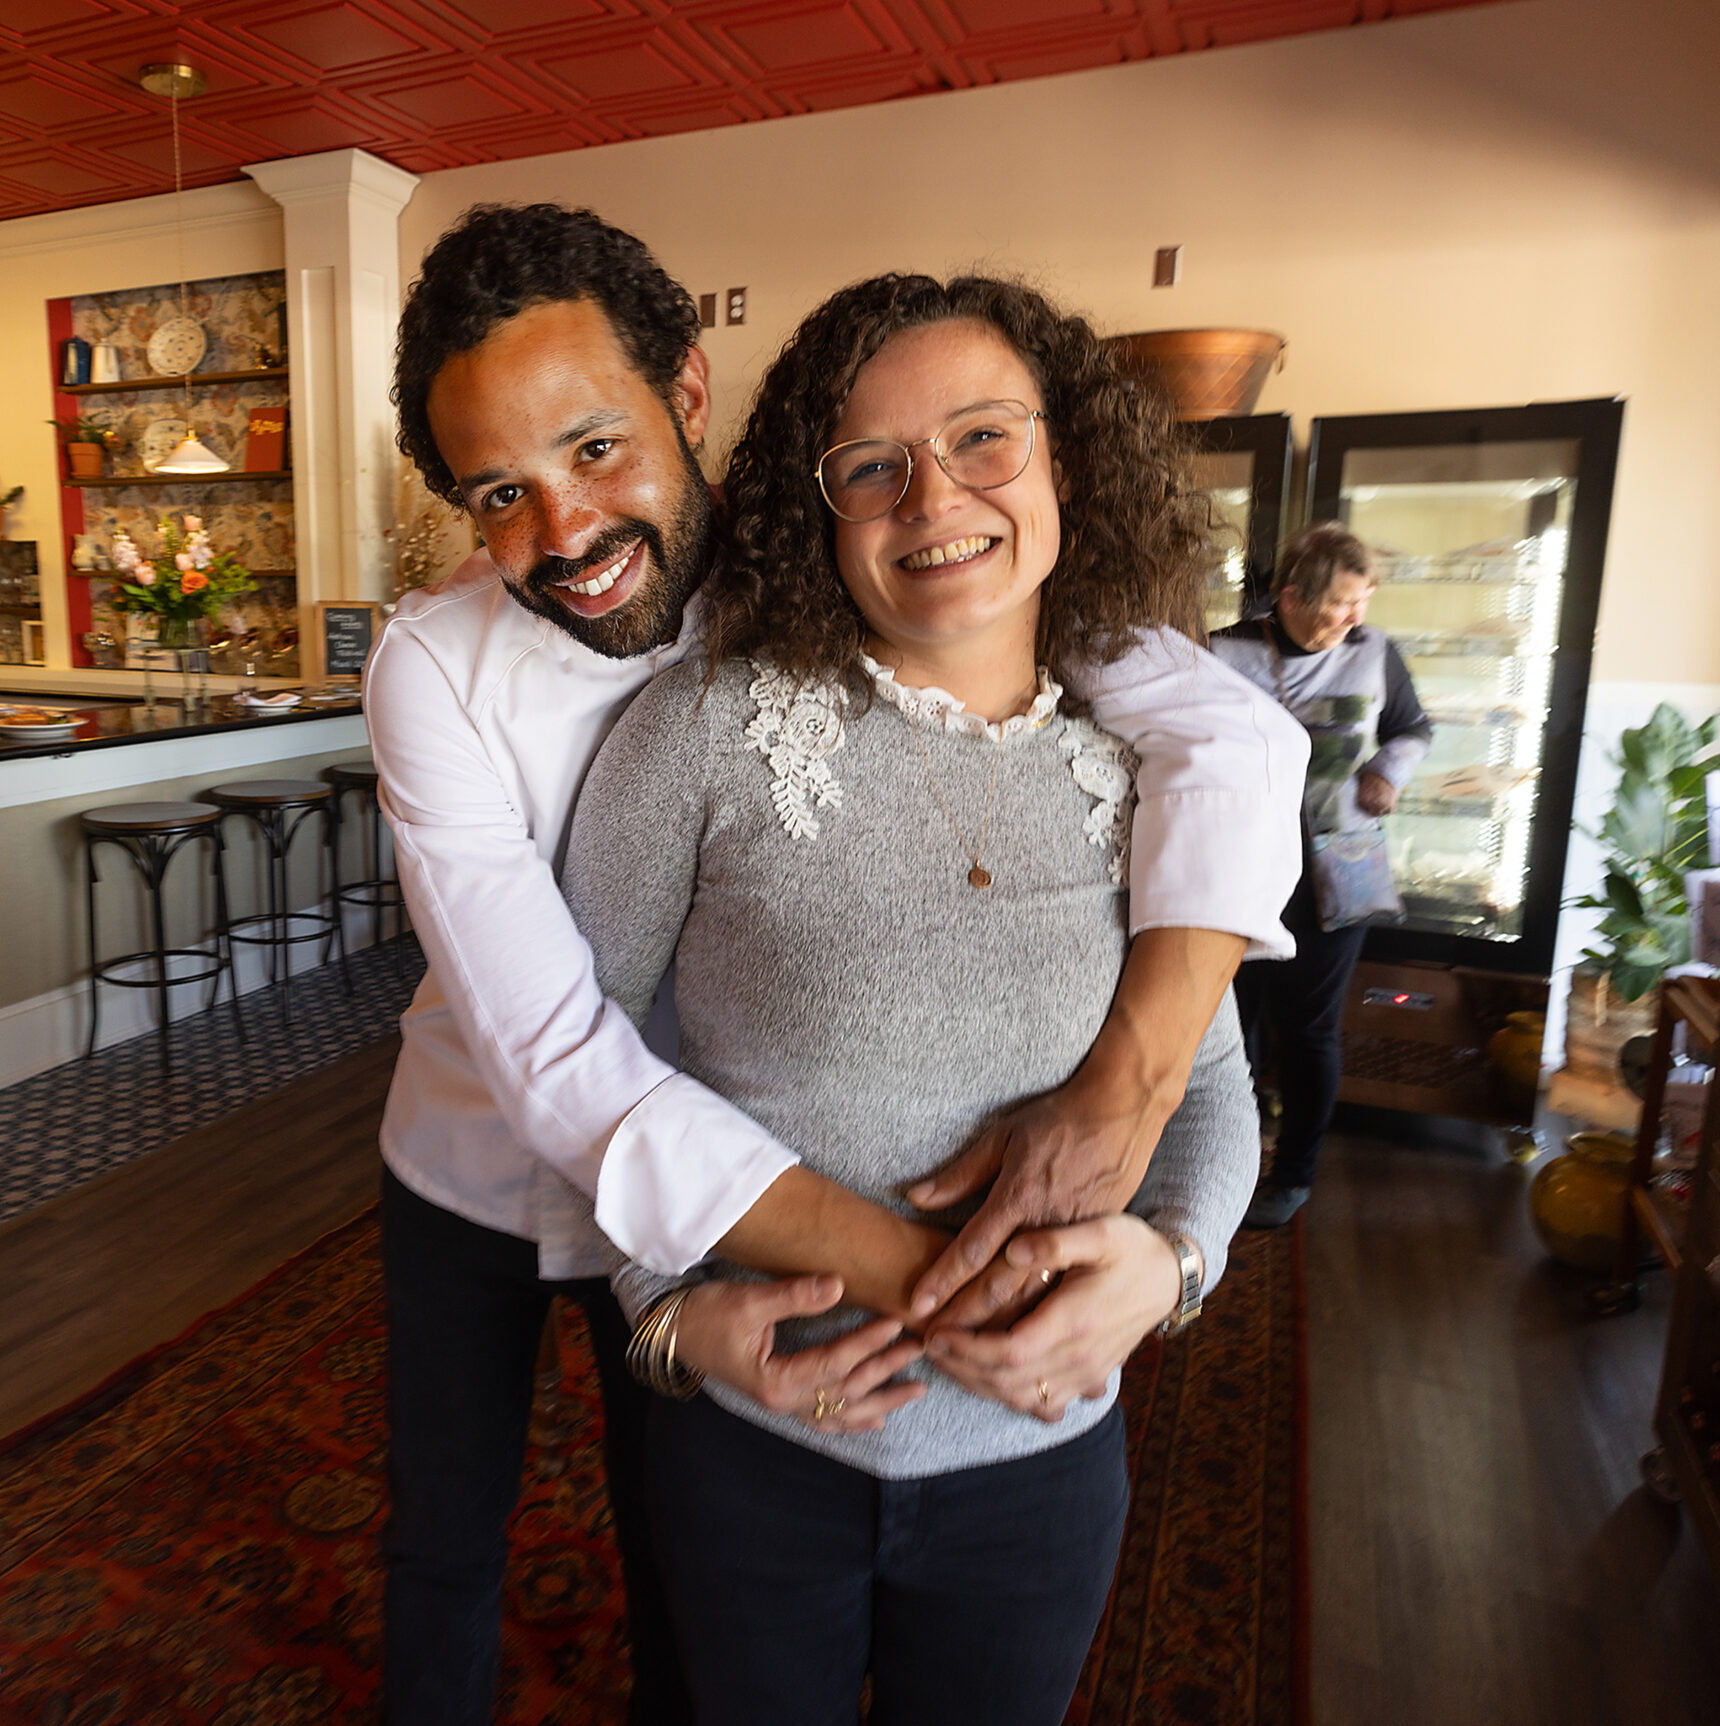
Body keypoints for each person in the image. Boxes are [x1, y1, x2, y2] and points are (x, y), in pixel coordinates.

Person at [367, 204, 1305, 1725]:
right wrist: (957, 1286)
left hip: (719, 1160)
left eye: (596, 450)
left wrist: (1134, 1134)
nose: (569, 532)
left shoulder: (854, 542)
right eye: (501, 492)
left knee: (673, 1549)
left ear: (688, 393)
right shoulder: (431, 661)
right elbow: (559, 1051)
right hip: (485, 1144)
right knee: (447, 1538)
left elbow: (1233, 734)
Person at [1212, 523, 1432, 1227]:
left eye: (1363, 601)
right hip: (1239, 868)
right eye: (1341, 603)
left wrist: (1385, 773)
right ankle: (1224, 1163)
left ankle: (1294, 1174)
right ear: (1289, 597)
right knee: (1226, 1030)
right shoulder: (1223, 651)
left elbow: (1411, 728)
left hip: (1338, 873)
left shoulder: (1374, 653)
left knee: (1310, 1032)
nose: (1355, 618)